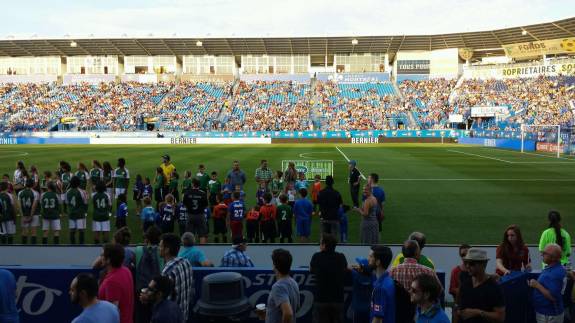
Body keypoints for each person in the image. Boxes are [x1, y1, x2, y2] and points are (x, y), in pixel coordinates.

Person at [457, 248, 505, 323]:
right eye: (466, 262)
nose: (467, 266)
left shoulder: (493, 287)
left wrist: (477, 312)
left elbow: (500, 317)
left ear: (484, 264)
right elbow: (459, 308)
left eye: (471, 263)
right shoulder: (464, 279)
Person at [309, 234, 348, 323]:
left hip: (321, 300)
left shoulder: (317, 257)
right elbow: (345, 269)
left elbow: (311, 269)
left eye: (320, 243)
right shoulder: (341, 257)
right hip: (337, 300)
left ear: (324, 245)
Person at [160, 233, 194, 321]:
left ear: (167, 249)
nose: (159, 249)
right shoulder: (186, 262)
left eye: (161, 246)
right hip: (183, 316)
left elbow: (162, 301)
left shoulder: (167, 271)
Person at [529, 243, 566, 323]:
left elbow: (553, 297)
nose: (542, 254)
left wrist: (537, 285)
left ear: (553, 258)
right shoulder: (554, 268)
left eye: (545, 253)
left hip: (549, 315)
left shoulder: (555, 273)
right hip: (546, 312)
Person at [98, 243, 134, 323]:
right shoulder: (126, 271)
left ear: (109, 260)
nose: (100, 257)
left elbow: (111, 314)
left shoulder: (112, 281)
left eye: (102, 255)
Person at [262, 249, 300, 323]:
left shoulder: (278, 286)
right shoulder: (293, 282)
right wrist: (269, 314)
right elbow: (296, 308)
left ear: (274, 265)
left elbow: (288, 313)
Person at [368, 245, 395, 323]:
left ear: (378, 262)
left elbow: (377, 319)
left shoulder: (380, 288)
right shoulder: (388, 280)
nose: (368, 259)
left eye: (370, 257)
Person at [317, 175, 343, 241]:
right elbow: (340, 205)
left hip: (324, 217)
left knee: (323, 239)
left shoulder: (320, 193)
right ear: (333, 182)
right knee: (334, 239)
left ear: (325, 182)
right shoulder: (337, 193)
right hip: (334, 218)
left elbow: (319, 204)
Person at [183, 178, 208, 244]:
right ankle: (202, 251)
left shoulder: (187, 193)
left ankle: (191, 252)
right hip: (200, 215)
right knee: (202, 234)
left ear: (192, 184)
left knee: (190, 235)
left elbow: (184, 204)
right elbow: (205, 205)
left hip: (190, 215)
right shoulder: (203, 193)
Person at [66, 176, 89, 245]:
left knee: (72, 230)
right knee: (81, 230)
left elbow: (67, 203)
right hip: (80, 214)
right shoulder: (82, 192)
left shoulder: (68, 192)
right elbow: (85, 202)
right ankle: (81, 245)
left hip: (71, 213)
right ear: (79, 183)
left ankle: (72, 245)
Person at [350, 258, 373, 323]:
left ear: (361, 268)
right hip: (368, 308)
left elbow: (349, 268)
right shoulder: (372, 277)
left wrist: (354, 268)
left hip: (357, 308)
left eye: (359, 265)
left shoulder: (355, 275)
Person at [18, 179, 40, 244]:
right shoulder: (36, 193)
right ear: (33, 185)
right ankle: (33, 249)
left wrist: (22, 216)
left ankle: (24, 249)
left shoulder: (20, 192)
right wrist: (31, 216)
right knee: (33, 232)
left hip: (24, 214)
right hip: (34, 214)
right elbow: (33, 206)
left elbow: (19, 206)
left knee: (24, 232)